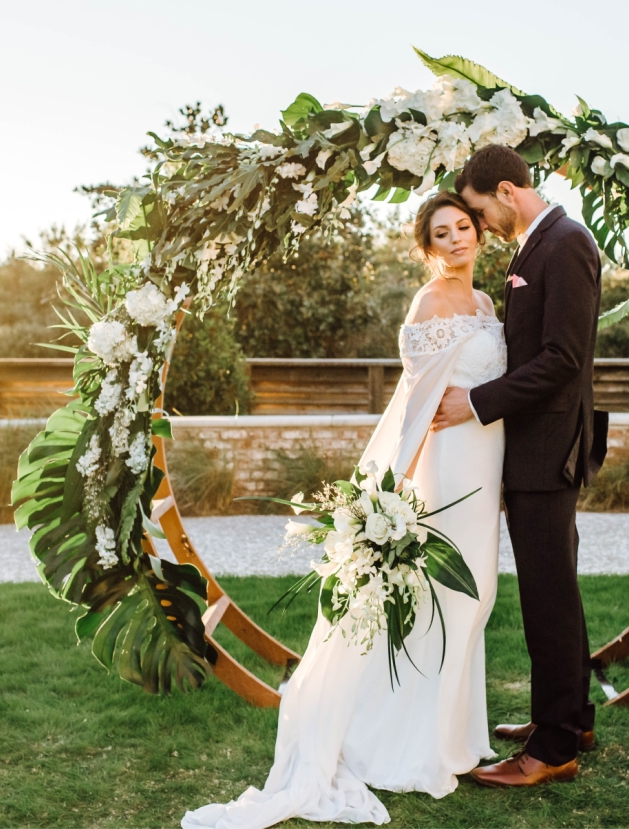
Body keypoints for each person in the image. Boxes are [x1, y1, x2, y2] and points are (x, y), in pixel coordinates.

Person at [182, 190, 508, 829]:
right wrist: (395, 493)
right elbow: (415, 404)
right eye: (440, 234)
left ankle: (458, 739)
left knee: (478, 597)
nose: (455, 241)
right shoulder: (429, 302)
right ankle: (415, 748)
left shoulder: (488, 304)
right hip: (444, 472)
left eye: (463, 227)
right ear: (426, 248)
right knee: (447, 600)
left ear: (479, 232)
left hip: (485, 466)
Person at [432, 143, 607, 788]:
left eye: (479, 210)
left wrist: (477, 402)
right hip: (534, 446)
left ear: (507, 191)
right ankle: (569, 717)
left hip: (547, 449)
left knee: (548, 596)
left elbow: (564, 360)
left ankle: (554, 749)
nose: (479, 226)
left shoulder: (565, 244)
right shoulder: (539, 244)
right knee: (556, 589)